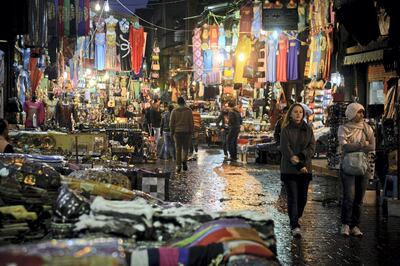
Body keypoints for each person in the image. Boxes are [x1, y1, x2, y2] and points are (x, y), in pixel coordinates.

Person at [338, 103, 375, 237]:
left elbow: (372, 146)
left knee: (359, 198)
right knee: (349, 197)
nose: (361, 115)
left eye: (362, 112)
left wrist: (354, 145)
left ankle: (355, 225)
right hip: (348, 166)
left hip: (364, 166)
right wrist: (361, 144)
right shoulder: (343, 128)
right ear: (352, 113)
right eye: (358, 112)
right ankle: (345, 224)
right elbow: (345, 147)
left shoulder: (367, 128)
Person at [280, 103, 315, 238]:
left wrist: (301, 157)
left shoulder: (308, 129)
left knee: (303, 197)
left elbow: (312, 146)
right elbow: (285, 149)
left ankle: (298, 216)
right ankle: (294, 225)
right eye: (295, 112)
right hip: (289, 169)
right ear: (291, 113)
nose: (298, 114)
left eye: (300, 112)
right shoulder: (286, 130)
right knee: (293, 197)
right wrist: (297, 163)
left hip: (306, 168)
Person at [170, 97, 194, 173]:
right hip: (186, 132)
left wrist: (172, 132)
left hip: (177, 132)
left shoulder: (174, 111)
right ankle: (184, 161)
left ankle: (178, 166)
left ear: (177, 103)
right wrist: (191, 131)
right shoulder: (189, 110)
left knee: (178, 149)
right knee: (186, 149)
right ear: (184, 102)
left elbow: (171, 123)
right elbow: (191, 122)